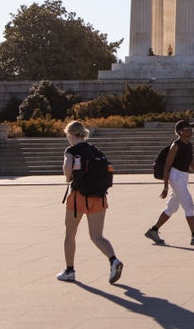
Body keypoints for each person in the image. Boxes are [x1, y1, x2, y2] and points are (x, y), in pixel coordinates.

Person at [57, 121, 123, 283]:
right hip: (99, 197)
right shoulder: (95, 150)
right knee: (97, 236)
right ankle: (113, 260)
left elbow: (67, 168)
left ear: (71, 134)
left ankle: (70, 270)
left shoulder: (71, 150)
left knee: (70, 233)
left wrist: (68, 178)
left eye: (68, 135)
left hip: (79, 196)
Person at [145, 120, 194, 246]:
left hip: (183, 177)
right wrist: (165, 186)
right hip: (176, 176)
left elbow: (192, 165)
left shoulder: (189, 145)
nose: (191, 130)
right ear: (181, 131)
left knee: (172, 207)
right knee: (188, 205)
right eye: (188, 128)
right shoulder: (175, 145)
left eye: (191, 128)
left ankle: (153, 231)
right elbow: (167, 166)